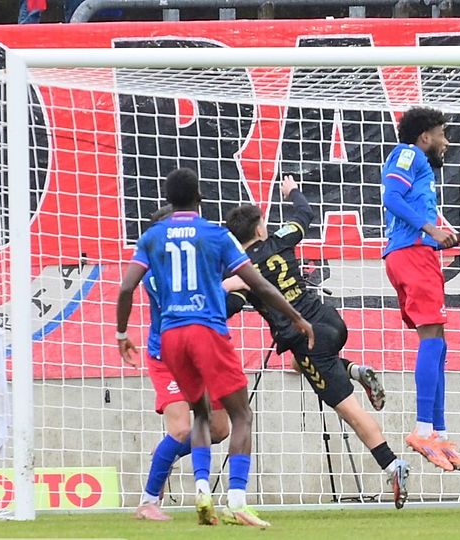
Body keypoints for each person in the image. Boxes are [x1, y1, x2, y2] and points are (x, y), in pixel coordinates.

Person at [117, 167, 314, 528]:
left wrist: (120, 333)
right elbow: (242, 289)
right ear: (198, 199)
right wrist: (291, 314)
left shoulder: (156, 247)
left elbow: (128, 287)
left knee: (216, 426)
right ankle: (153, 498)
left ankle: (196, 484)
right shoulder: (206, 241)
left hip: (176, 342)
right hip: (175, 348)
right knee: (193, 426)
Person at [224, 176, 409, 509]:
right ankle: (355, 370)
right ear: (261, 228)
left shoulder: (243, 272)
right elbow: (305, 213)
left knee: (350, 411)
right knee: (297, 364)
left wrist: (216, 293)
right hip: (330, 319)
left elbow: (230, 305)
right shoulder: (282, 239)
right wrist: (292, 191)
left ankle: (392, 465)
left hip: (306, 338)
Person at [381, 106, 460, 473]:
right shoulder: (408, 154)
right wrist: (432, 229)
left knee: (437, 340)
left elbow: (411, 215)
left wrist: (450, 236)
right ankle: (423, 430)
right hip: (411, 256)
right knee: (431, 337)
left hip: (417, 253)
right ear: (425, 137)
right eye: (441, 134)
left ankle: (437, 431)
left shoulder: (419, 166)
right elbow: (391, 198)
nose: (445, 142)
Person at [134, 205, 233, 521]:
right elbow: (196, 300)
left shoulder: (194, 262)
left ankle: (164, 453)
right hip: (168, 357)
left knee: (219, 430)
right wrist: (231, 285)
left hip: (201, 353)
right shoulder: (154, 275)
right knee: (180, 429)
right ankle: (148, 502)